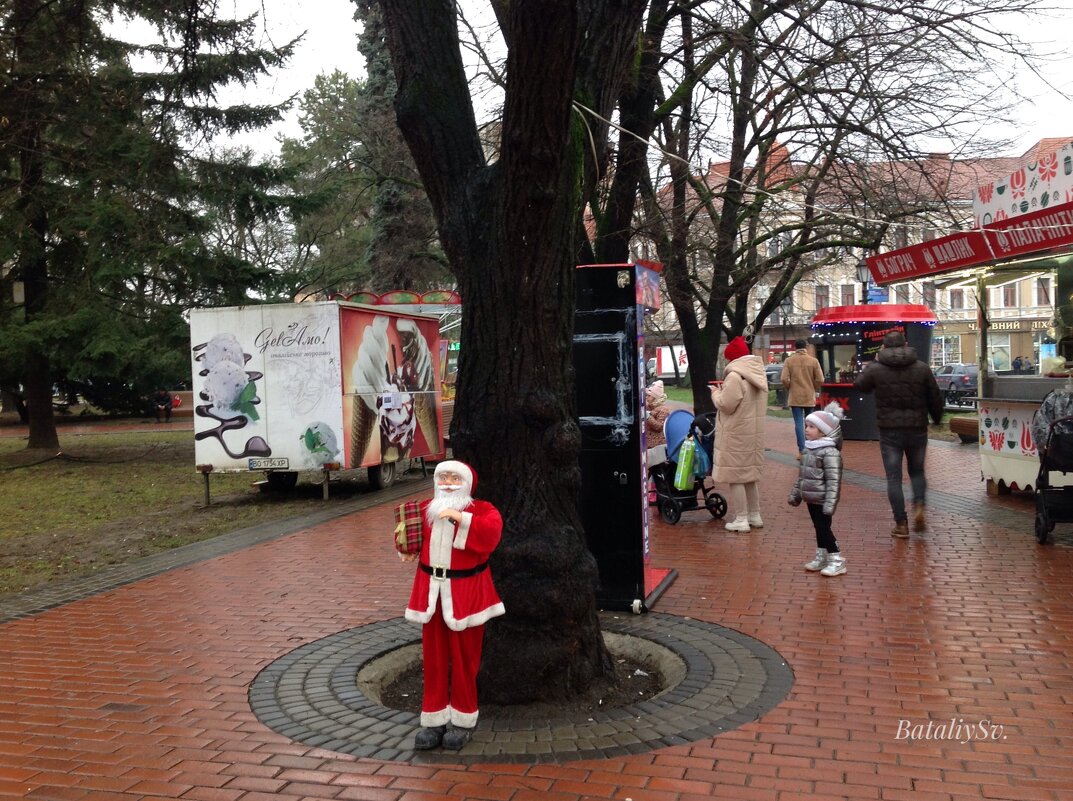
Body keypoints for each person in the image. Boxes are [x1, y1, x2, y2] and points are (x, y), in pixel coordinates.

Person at [400, 460, 505, 751]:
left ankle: (462, 720)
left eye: (453, 477)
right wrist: (405, 547)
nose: (447, 482)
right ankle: (433, 721)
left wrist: (460, 518)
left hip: (467, 596)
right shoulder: (426, 509)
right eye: (442, 476)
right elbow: (410, 536)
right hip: (431, 595)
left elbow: (491, 534)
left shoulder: (481, 510)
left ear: (467, 482)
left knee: (464, 660)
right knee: (433, 661)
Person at [854, 331, 943, 538]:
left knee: (894, 478)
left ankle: (901, 524)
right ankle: (919, 505)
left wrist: (873, 364)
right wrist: (937, 419)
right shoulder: (922, 368)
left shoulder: (877, 369)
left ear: (884, 347)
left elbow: (859, 385)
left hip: (889, 431)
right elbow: (935, 397)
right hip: (917, 429)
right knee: (917, 472)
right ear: (905, 344)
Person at [710, 335, 769, 532]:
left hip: (736, 434)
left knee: (736, 477)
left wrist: (715, 393)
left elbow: (726, 405)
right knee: (749, 476)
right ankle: (755, 515)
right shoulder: (757, 375)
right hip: (753, 434)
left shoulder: (735, 376)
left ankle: (741, 519)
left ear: (733, 358)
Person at [788, 402, 847, 576]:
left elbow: (834, 481)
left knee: (823, 528)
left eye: (812, 427)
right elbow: (802, 476)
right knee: (818, 527)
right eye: (807, 426)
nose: (806, 429)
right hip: (811, 498)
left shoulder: (830, 452)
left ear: (823, 431)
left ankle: (837, 559)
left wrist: (830, 503)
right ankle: (822, 556)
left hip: (822, 499)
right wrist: (796, 494)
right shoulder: (808, 449)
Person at [781, 339, 825, 458]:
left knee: (798, 423)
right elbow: (820, 379)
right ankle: (810, 448)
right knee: (809, 423)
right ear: (806, 347)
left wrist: (790, 387)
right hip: (808, 396)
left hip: (795, 396)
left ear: (795, 347)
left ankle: (802, 451)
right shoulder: (813, 361)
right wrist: (812, 386)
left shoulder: (789, 361)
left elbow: (784, 378)